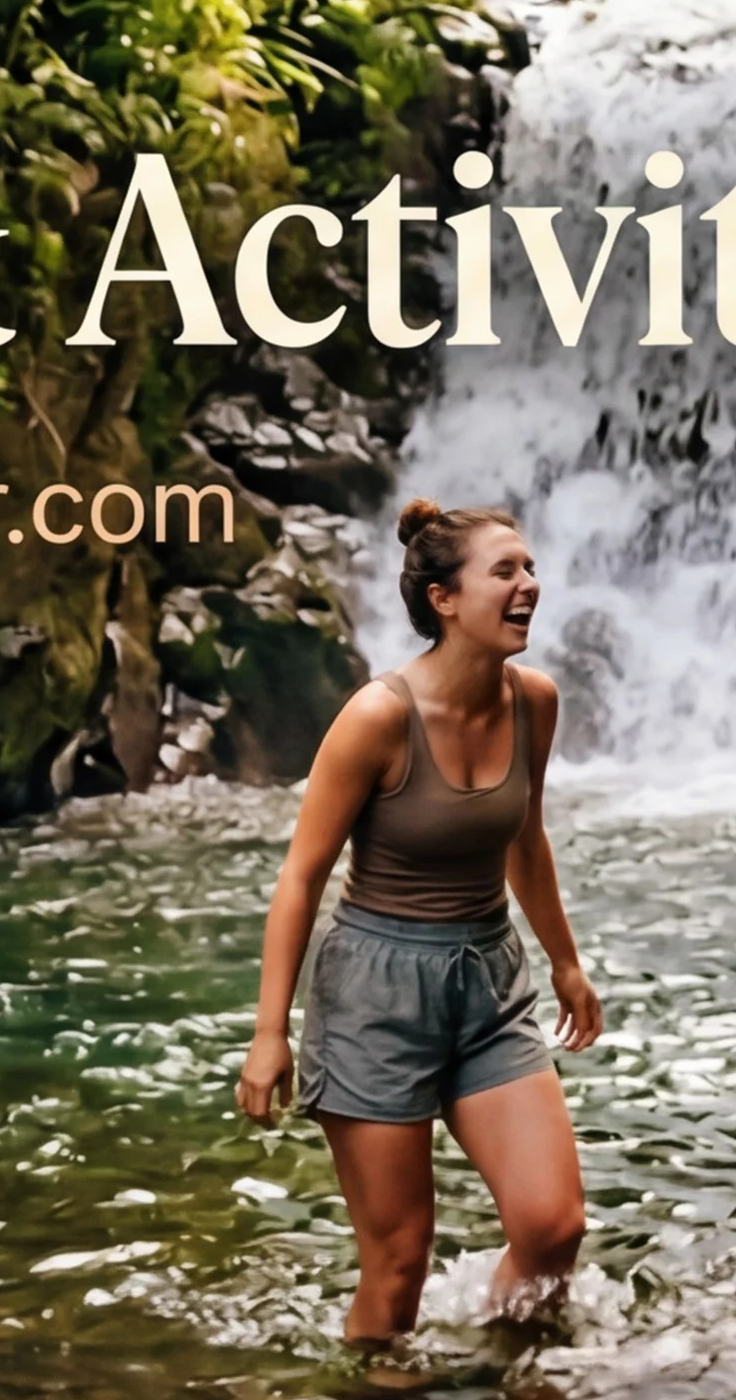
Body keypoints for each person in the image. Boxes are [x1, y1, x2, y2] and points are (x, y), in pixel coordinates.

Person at [235, 500, 608, 1341]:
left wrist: (566, 963)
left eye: (530, 569)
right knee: (399, 1262)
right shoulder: (379, 717)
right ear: (444, 600)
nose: (529, 587)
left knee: (553, 1232)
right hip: (375, 993)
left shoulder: (534, 703)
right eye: (504, 572)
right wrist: (270, 1033)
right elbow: (301, 877)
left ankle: (501, 1375)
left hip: (489, 983)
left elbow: (527, 840)